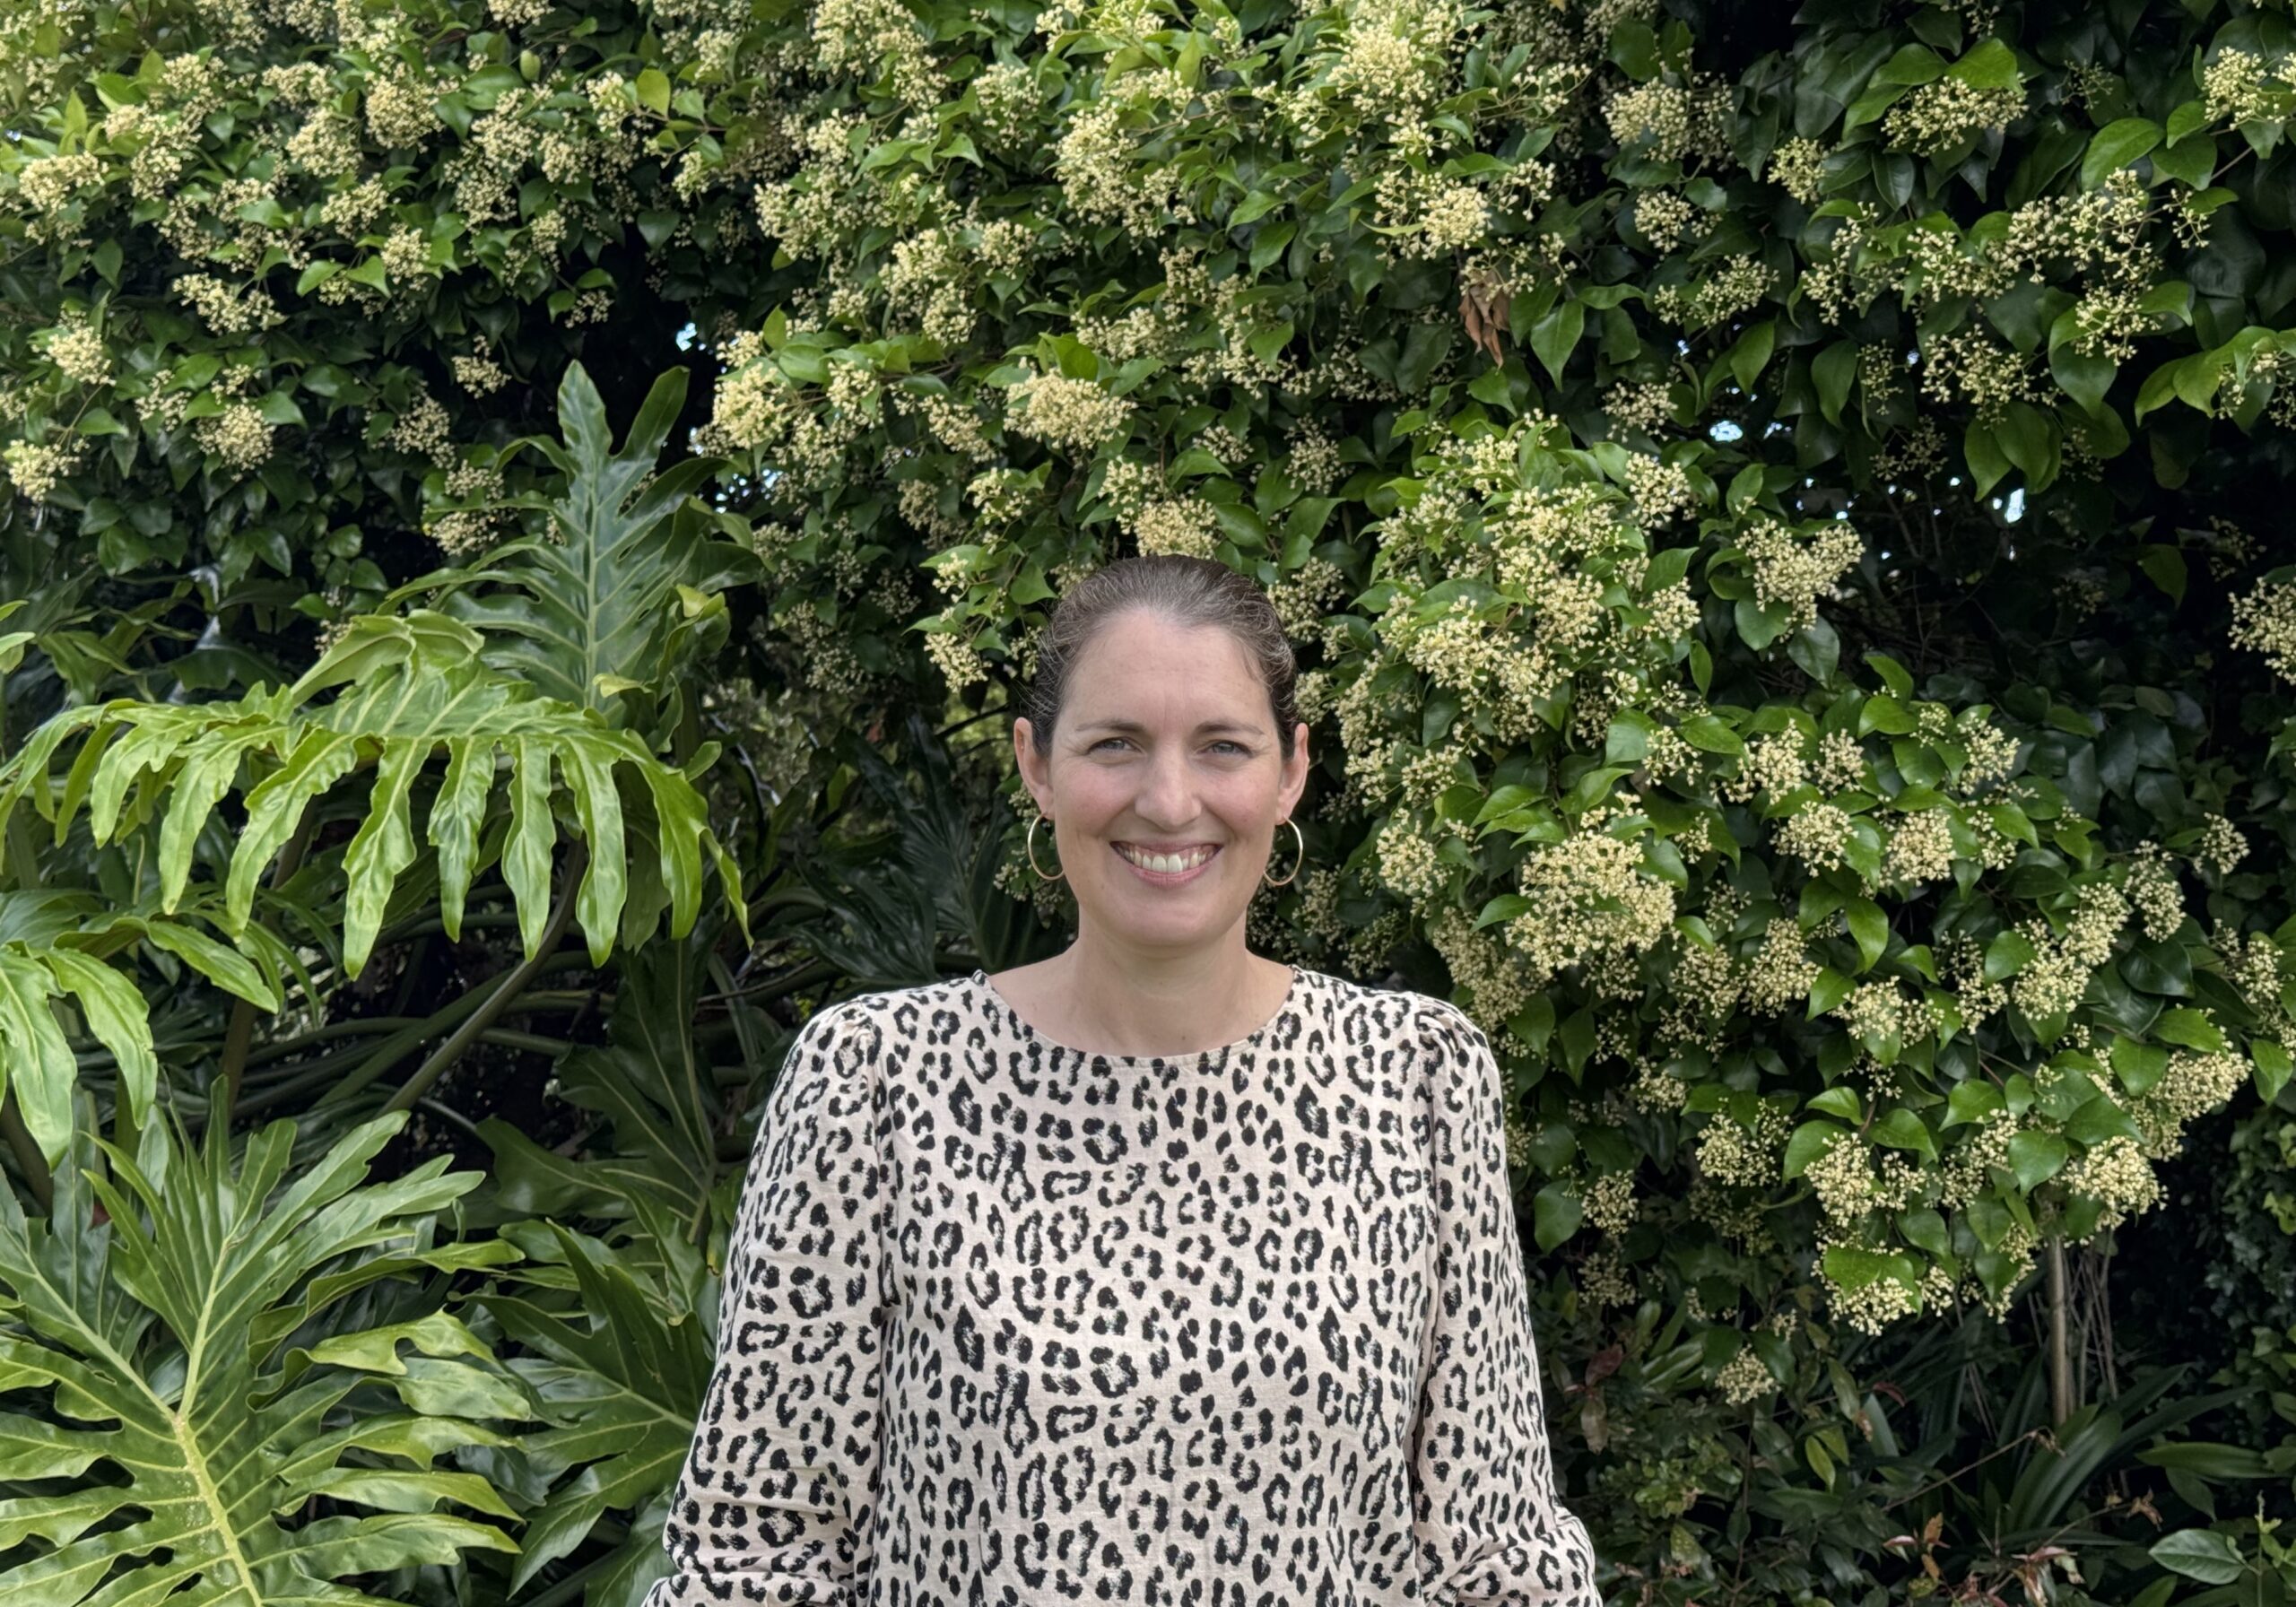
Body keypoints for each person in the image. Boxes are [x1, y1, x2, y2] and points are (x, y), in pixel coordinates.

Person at [642, 553, 1602, 1605]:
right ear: (1036, 764)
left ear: (1289, 771)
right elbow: (754, 1551)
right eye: (1116, 744)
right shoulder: (873, 1080)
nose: (1169, 799)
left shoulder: (1417, 1075)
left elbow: (1497, 1547)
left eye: (1222, 747)